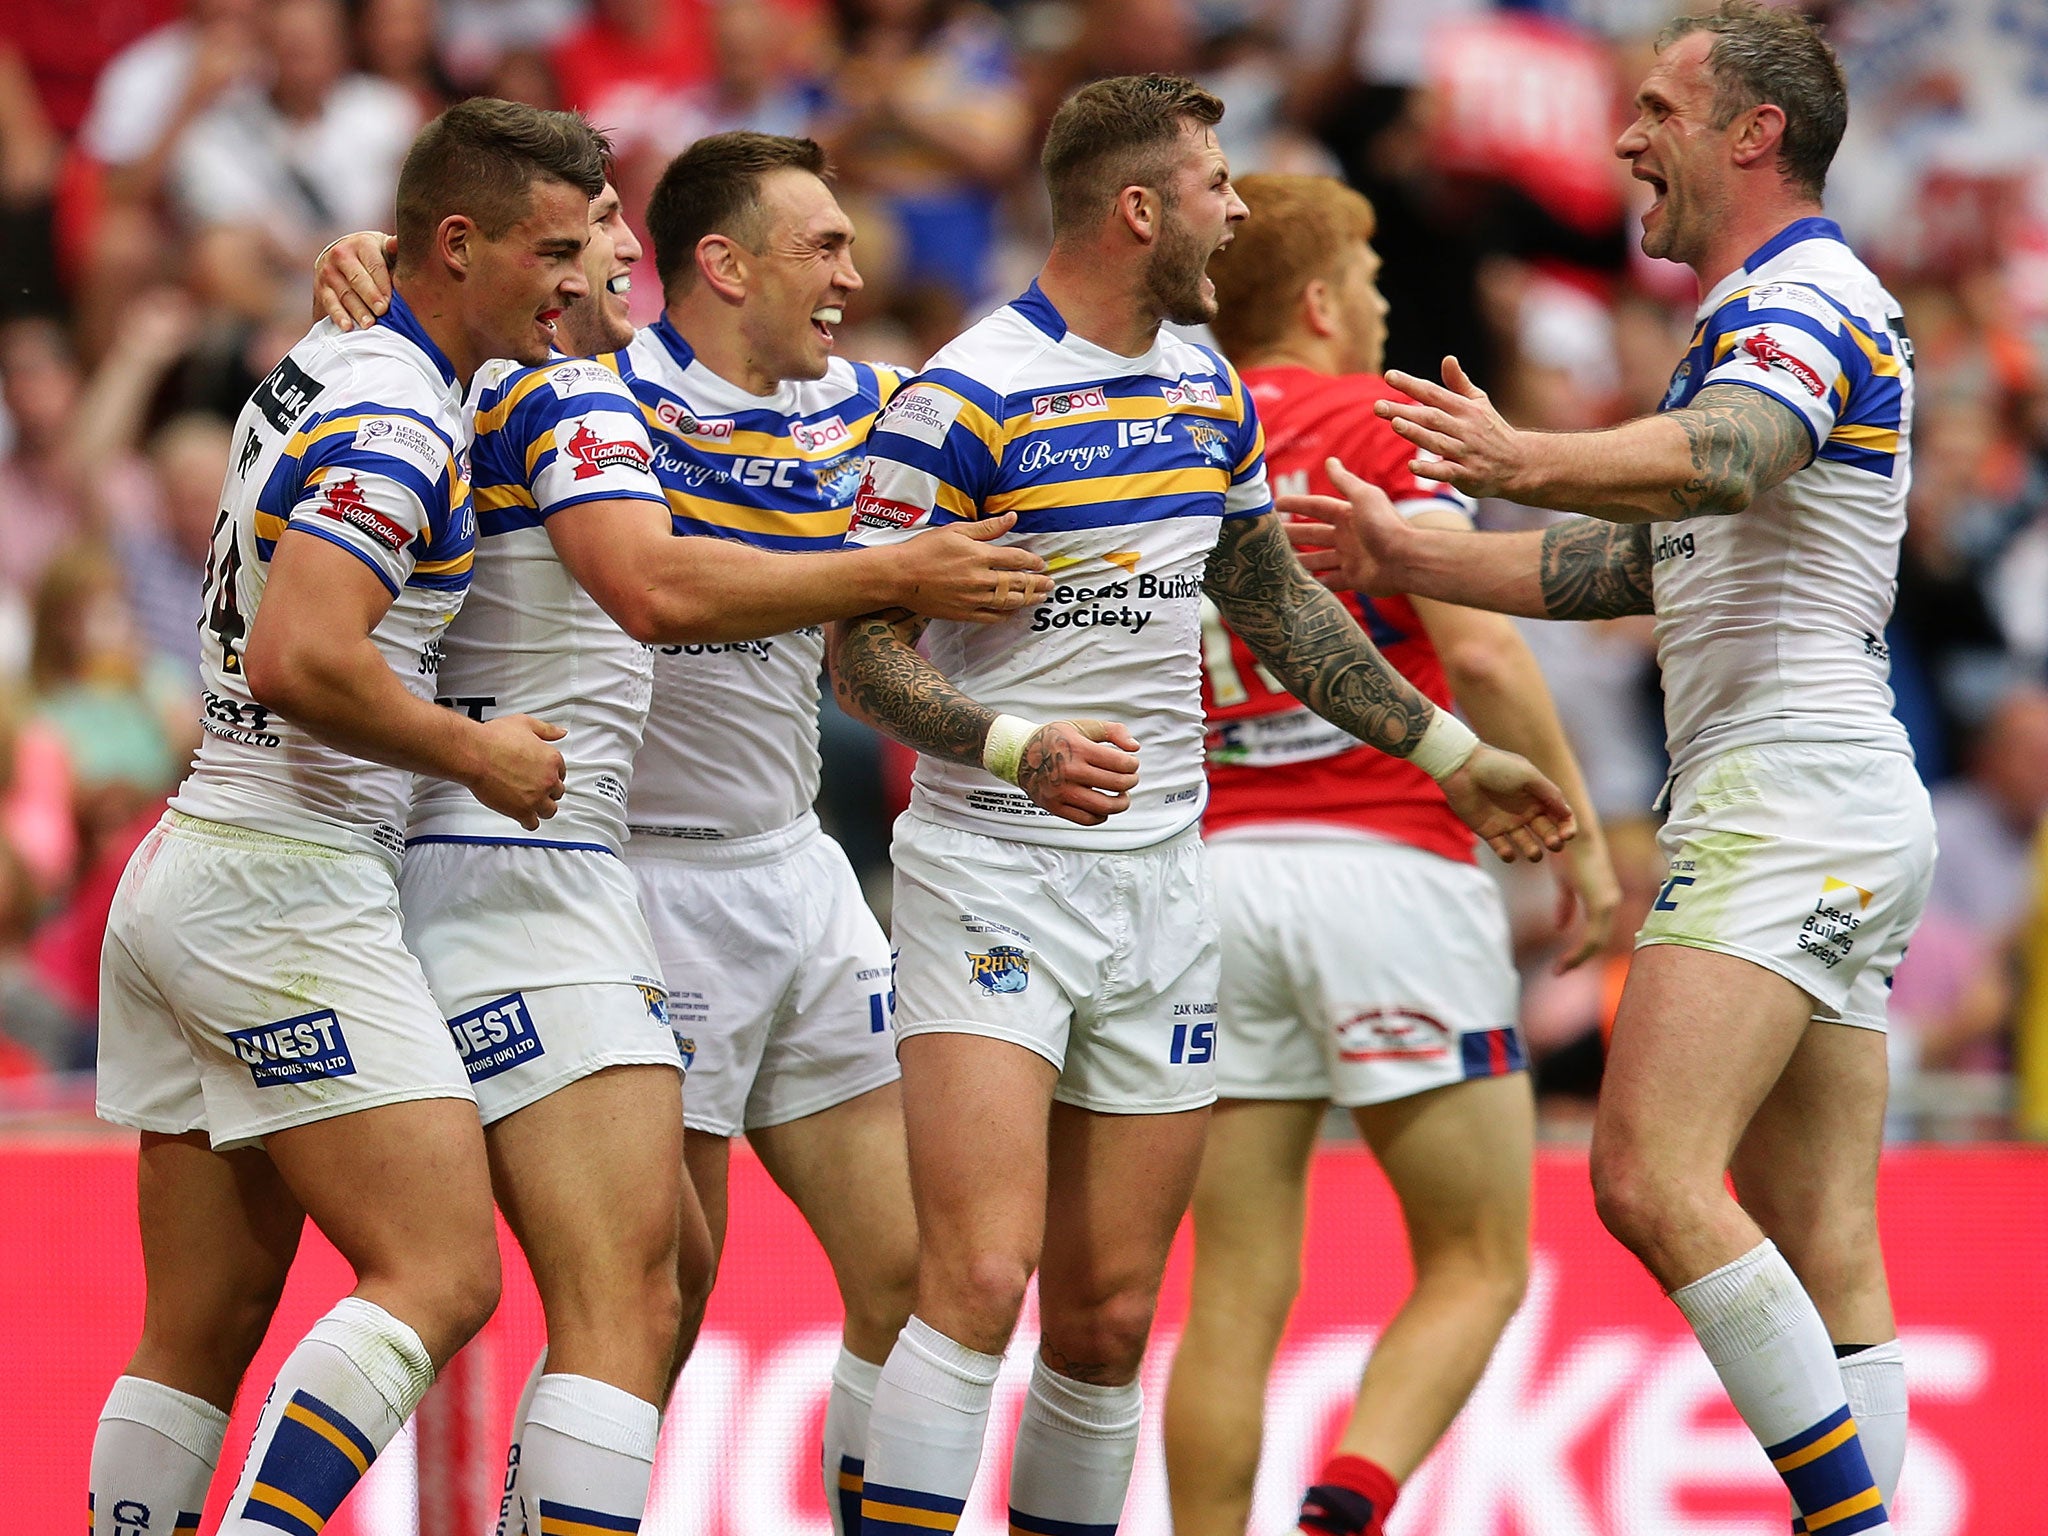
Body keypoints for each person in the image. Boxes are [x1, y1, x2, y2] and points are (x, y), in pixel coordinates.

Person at [828, 73, 1573, 1534]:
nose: (1236, 209)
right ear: (1138, 208)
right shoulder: (963, 393)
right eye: (1217, 184)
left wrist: (1448, 752)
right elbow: (857, 655)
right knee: (979, 1281)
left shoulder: (1201, 386)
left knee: (1109, 1316)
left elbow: (1275, 604)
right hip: (996, 875)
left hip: (1168, 884)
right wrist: (1007, 745)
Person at [311, 130, 1046, 1534]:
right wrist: (358, 267)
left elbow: (1038, 402)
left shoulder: (875, 405)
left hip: (801, 870)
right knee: (652, 1297)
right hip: (634, 876)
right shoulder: (597, 388)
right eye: (823, 244)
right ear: (725, 263)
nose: (854, 268)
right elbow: (458, 355)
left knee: (919, 1275)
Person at [1295, 7, 1926, 1531]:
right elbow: (1633, 562)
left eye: (1655, 109)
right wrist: (1415, 547)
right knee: (1825, 1235)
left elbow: (1727, 458)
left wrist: (1513, 456)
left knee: (1644, 1175)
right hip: (1826, 786)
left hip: (1789, 789)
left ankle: (1847, 1517)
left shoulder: (1803, 297)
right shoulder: (1764, 311)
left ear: (1752, 132)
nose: (1625, 140)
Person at [87, 97, 602, 1536]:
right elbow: (301, 655)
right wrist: (474, 752)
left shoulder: (329, 357)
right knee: (442, 1274)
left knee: (202, 1321)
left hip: (194, 863)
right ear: (457, 242)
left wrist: (365, 253)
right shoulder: (403, 416)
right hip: (286, 881)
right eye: (551, 249)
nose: (572, 281)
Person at [1159, 172, 1619, 1536]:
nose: (1379, 303)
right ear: (1317, 300)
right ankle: (1347, 1505)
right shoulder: (1380, 420)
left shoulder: (1181, 442)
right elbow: (1475, 644)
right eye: (1365, 280)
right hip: (1393, 866)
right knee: (1478, 1258)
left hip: (1218, 883)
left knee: (1233, 1294)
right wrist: (1584, 854)